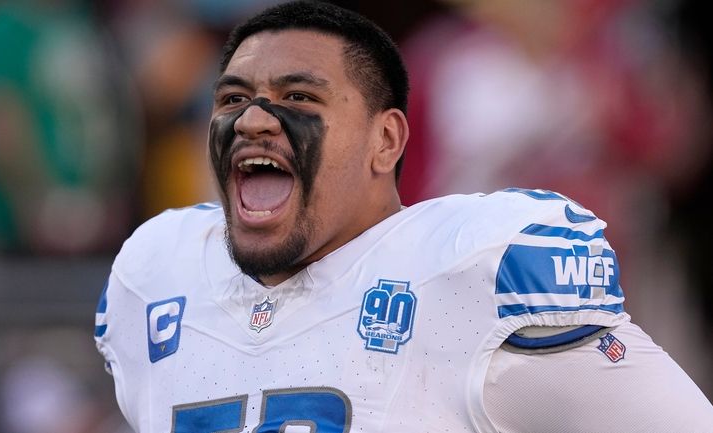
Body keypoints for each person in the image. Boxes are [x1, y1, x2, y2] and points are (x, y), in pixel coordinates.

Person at [94, 1, 713, 432]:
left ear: (383, 140)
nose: (253, 119)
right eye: (232, 98)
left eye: (300, 98)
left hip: (590, 270)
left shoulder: (480, 275)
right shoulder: (158, 272)